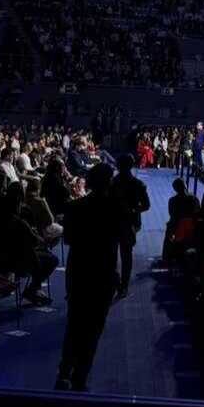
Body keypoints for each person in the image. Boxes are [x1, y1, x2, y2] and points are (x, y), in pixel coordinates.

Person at [56, 164, 126, 391]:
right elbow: (125, 236)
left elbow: (67, 240)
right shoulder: (116, 208)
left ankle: (64, 373)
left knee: (74, 324)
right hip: (103, 274)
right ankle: (80, 378)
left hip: (78, 272)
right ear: (109, 183)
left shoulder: (74, 207)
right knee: (94, 329)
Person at [112, 153, 151, 299]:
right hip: (128, 223)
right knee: (125, 255)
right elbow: (146, 206)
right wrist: (134, 210)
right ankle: (123, 286)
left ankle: (119, 284)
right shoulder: (138, 184)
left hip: (118, 223)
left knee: (115, 255)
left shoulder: (112, 183)